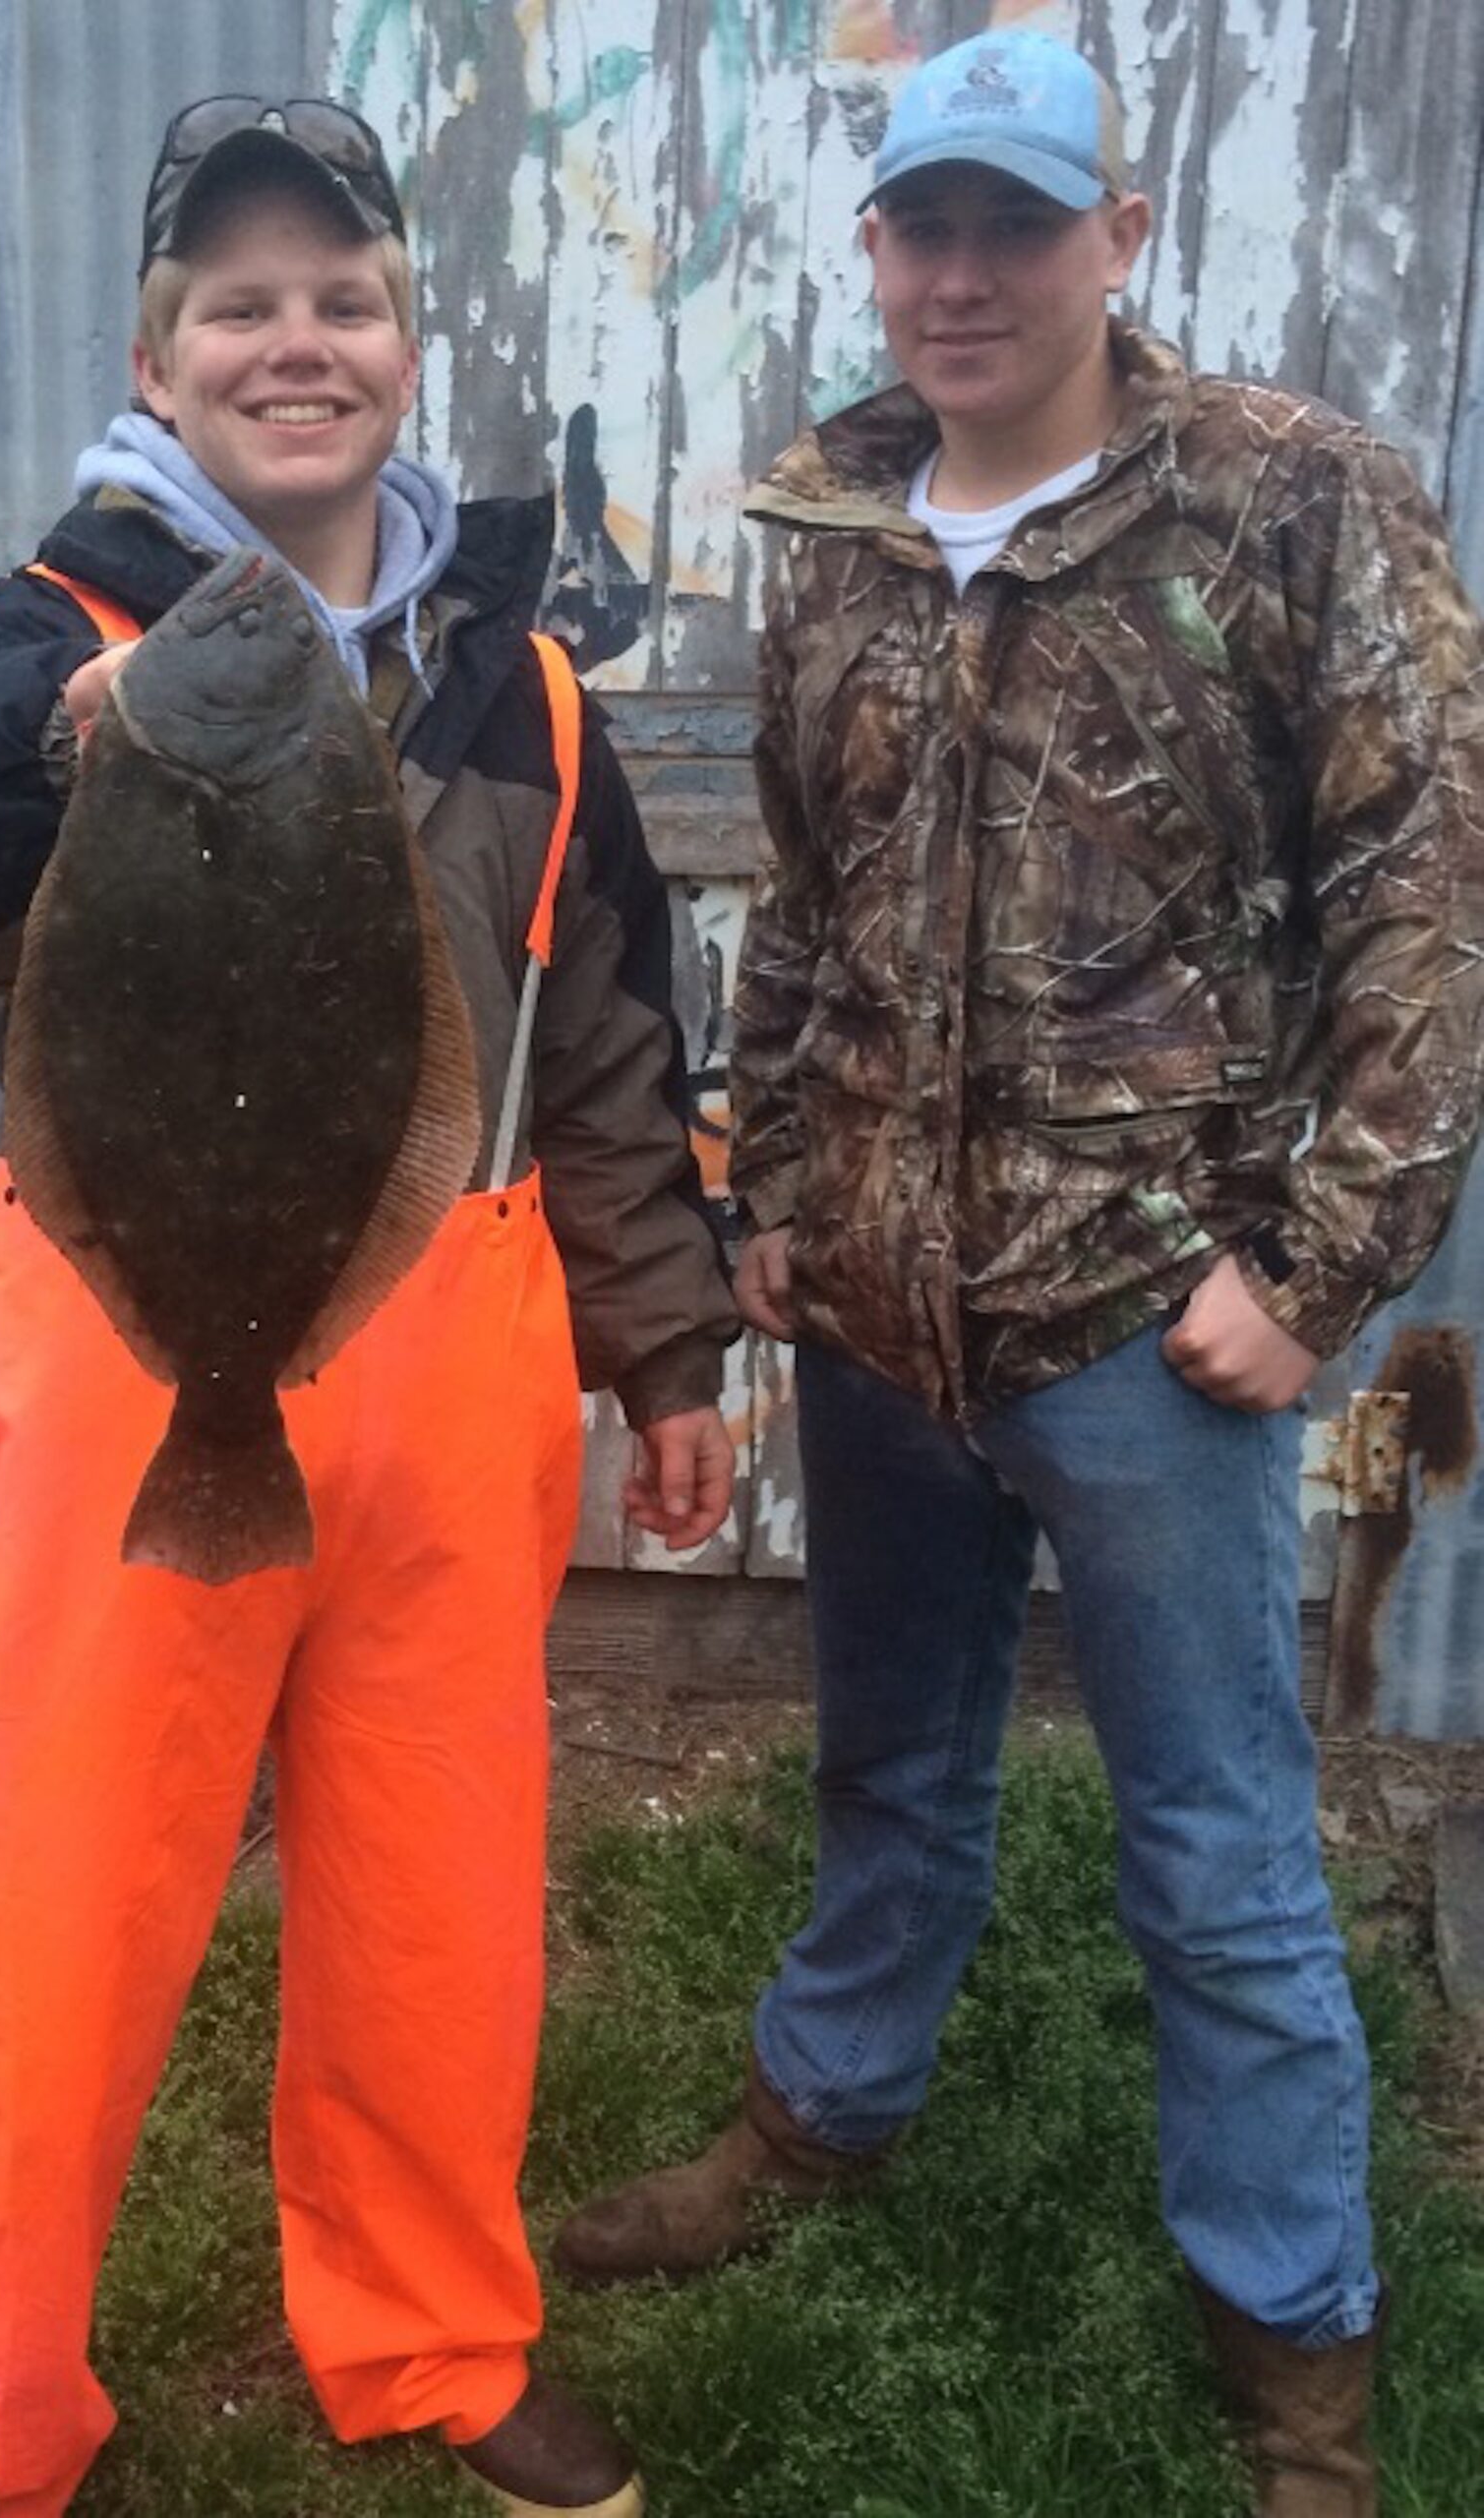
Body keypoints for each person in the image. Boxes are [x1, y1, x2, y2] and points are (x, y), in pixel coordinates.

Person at [554, 27, 1484, 2516]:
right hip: (867, 1313)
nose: (963, 276)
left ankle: (1296, 2348)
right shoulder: (840, 527)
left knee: (1216, 1851)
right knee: (889, 1774)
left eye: (1015, 226)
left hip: (1144, 1329)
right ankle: (823, 2115)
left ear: (1117, 239)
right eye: (924, 228)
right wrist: (762, 1192)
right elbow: (818, 905)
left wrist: (1318, 1269)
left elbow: (1431, 908)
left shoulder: (1290, 503)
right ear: (876, 253)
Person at [0, 95, 738, 2518]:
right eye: (238, 306)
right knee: (56, 1891)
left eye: (343, 298)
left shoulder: (526, 692)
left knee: (438, 1891)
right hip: (144, 1355)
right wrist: (50, 768)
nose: (299, 342)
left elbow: (602, 1051)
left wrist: (664, 1349)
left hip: (453, 1348)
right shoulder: (50, 644)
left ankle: (431, 2337)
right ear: (155, 360)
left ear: (407, 337)